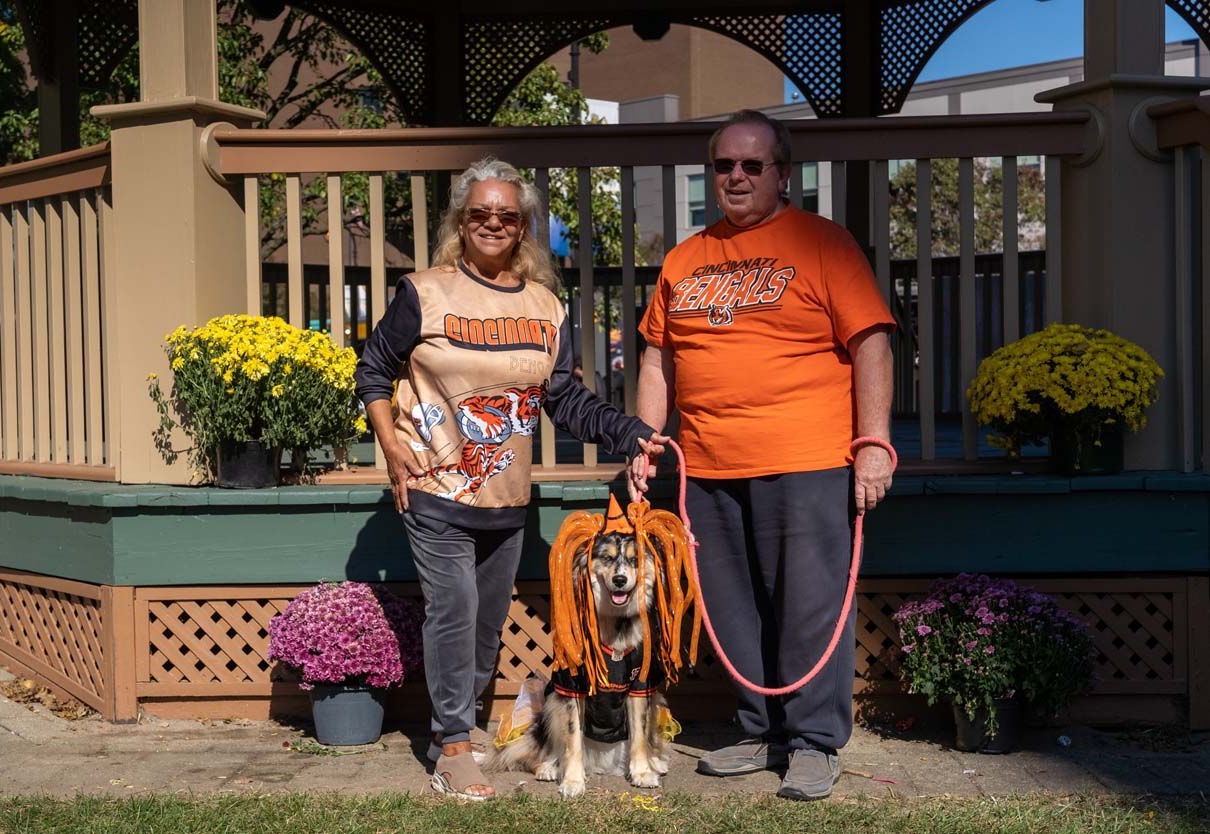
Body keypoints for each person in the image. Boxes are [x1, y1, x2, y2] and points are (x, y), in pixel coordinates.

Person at [355, 158, 666, 801]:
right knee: (454, 610)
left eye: (506, 215)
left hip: (506, 498)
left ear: (522, 226)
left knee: (486, 621)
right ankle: (453, 747)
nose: (492, 224)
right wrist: (390, 445)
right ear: (460, 223)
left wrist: (630, 432)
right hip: (436, 484)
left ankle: (463, 720)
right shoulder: (425, 292)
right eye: (479, 214)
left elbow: (566, 402)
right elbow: (373, 369)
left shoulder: (544, 306)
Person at [627, 110, 895, 802]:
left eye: (752, 165)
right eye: (724, 166)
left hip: (807, 456)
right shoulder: (686, 259)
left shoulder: (824, 244)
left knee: (808, 606)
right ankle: (758, 729)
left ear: (783, 174)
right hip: (708, 463)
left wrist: (873, 446)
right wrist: (646, 440)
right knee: (732, 605)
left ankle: (811, 741)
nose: (737, 176)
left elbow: (872, 345)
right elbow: (658, 359)